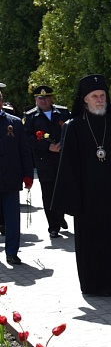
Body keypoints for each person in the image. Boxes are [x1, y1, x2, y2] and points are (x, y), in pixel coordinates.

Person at [51, 74, 111, 296]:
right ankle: (96, 285)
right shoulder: (74, 126)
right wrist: (71, 200)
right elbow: (68, 166)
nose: (99, 100)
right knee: (94, 244)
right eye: (94, 96)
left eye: (102, 95)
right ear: (85, 99)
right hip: (89, 198)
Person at [24, 85, 71, 238]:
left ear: (52, 98)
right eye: (40, 98)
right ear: (35, 100)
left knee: (63, 190)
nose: (43, 101)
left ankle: (60, 215)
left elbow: (71, 131)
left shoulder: (63, 113)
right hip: (44, 160)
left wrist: (62, 144)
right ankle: (53, 226)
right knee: (48, 194)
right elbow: (28, 138)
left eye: (46, 98)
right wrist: (47, 146)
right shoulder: (31, 117)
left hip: (63, 159)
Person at [0, 82, 33, 265]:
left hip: (10, 177)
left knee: (12, 218)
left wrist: (28, 174)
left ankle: (12, 252)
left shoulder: (14, 122)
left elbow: (24, 151)